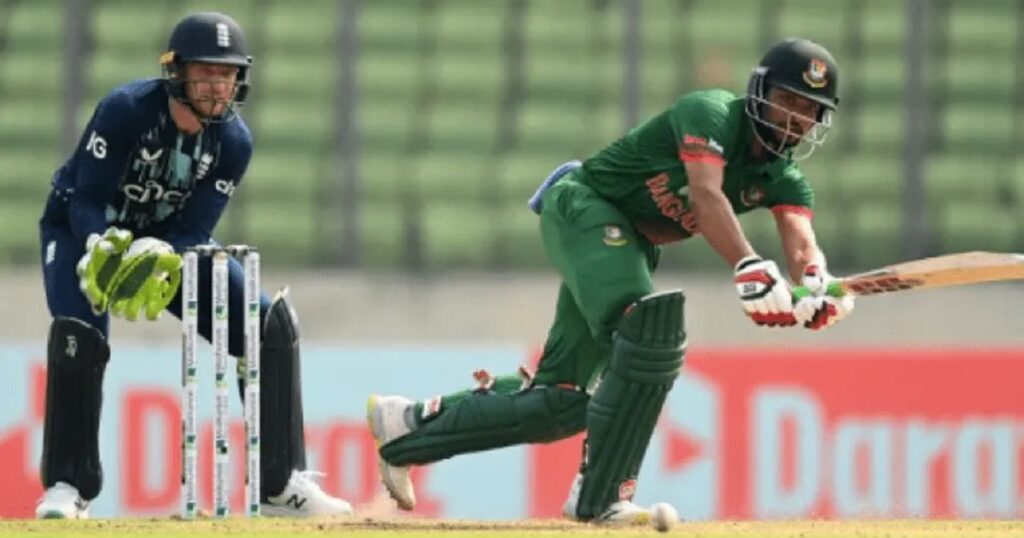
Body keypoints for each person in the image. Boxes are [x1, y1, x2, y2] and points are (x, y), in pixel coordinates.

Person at [365, 37, 856, 524]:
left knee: (560, 403)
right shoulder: (710, 113)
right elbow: (706, 195)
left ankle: (407, 426)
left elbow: (801, 242)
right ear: (759, 92)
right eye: (787, 100)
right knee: (647, 331)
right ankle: (602, 497)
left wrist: (816, 282)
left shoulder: (785, 179)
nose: (795, 118)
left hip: (629, 243)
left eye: (808, 110)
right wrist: (748, 264)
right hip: (585, 207)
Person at [36, 12, 352, 519]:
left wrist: (157, 257)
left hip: (166, 243)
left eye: (227, 74)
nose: (217, 86)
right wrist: (102, 246)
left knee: (268, 325)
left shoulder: (234, 144)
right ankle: (68, 487)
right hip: (82, 232)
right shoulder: (126, 110)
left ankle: (280, 486)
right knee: (79, 333)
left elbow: (194, 229)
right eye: (205, 72)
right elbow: (86, 198)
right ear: (176, 72)